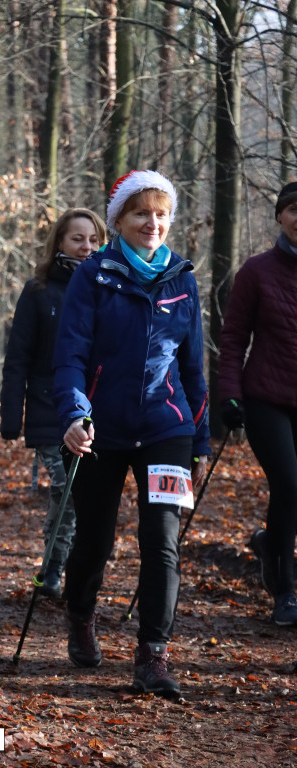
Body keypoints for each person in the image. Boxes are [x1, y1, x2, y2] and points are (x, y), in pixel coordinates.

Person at [52, 170, 210, 695]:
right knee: (94, 538)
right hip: (100, 427)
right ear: (119, 219)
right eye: (142, 213)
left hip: (167, 428)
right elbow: (70, 354)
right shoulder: (93, 275)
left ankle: (153, 656)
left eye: (161, 213)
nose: (153, 222)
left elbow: (193, 369)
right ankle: (80, 614)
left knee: (162, 542)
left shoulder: (182, 278)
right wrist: (75, 415)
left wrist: (201, 437)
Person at [0, 209, 107, 597]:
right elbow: (17, 358)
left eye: (94, 240)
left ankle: (57, 569)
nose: (86, 247)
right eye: (78, 239)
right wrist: (11, 417)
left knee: (77, 497)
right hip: (49, 409)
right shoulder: (39, 291)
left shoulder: (108, 287)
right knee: (66, 487)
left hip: (98, 409)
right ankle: (53, 576)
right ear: (59, 242)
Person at [219, 181, 297, 627]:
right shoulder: (257, 271)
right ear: (280, 217)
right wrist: (230, 395)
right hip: (266, 398)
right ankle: (284, 591)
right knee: (288, 485)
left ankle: (271, 545)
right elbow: (233, 339)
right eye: (292, 209)